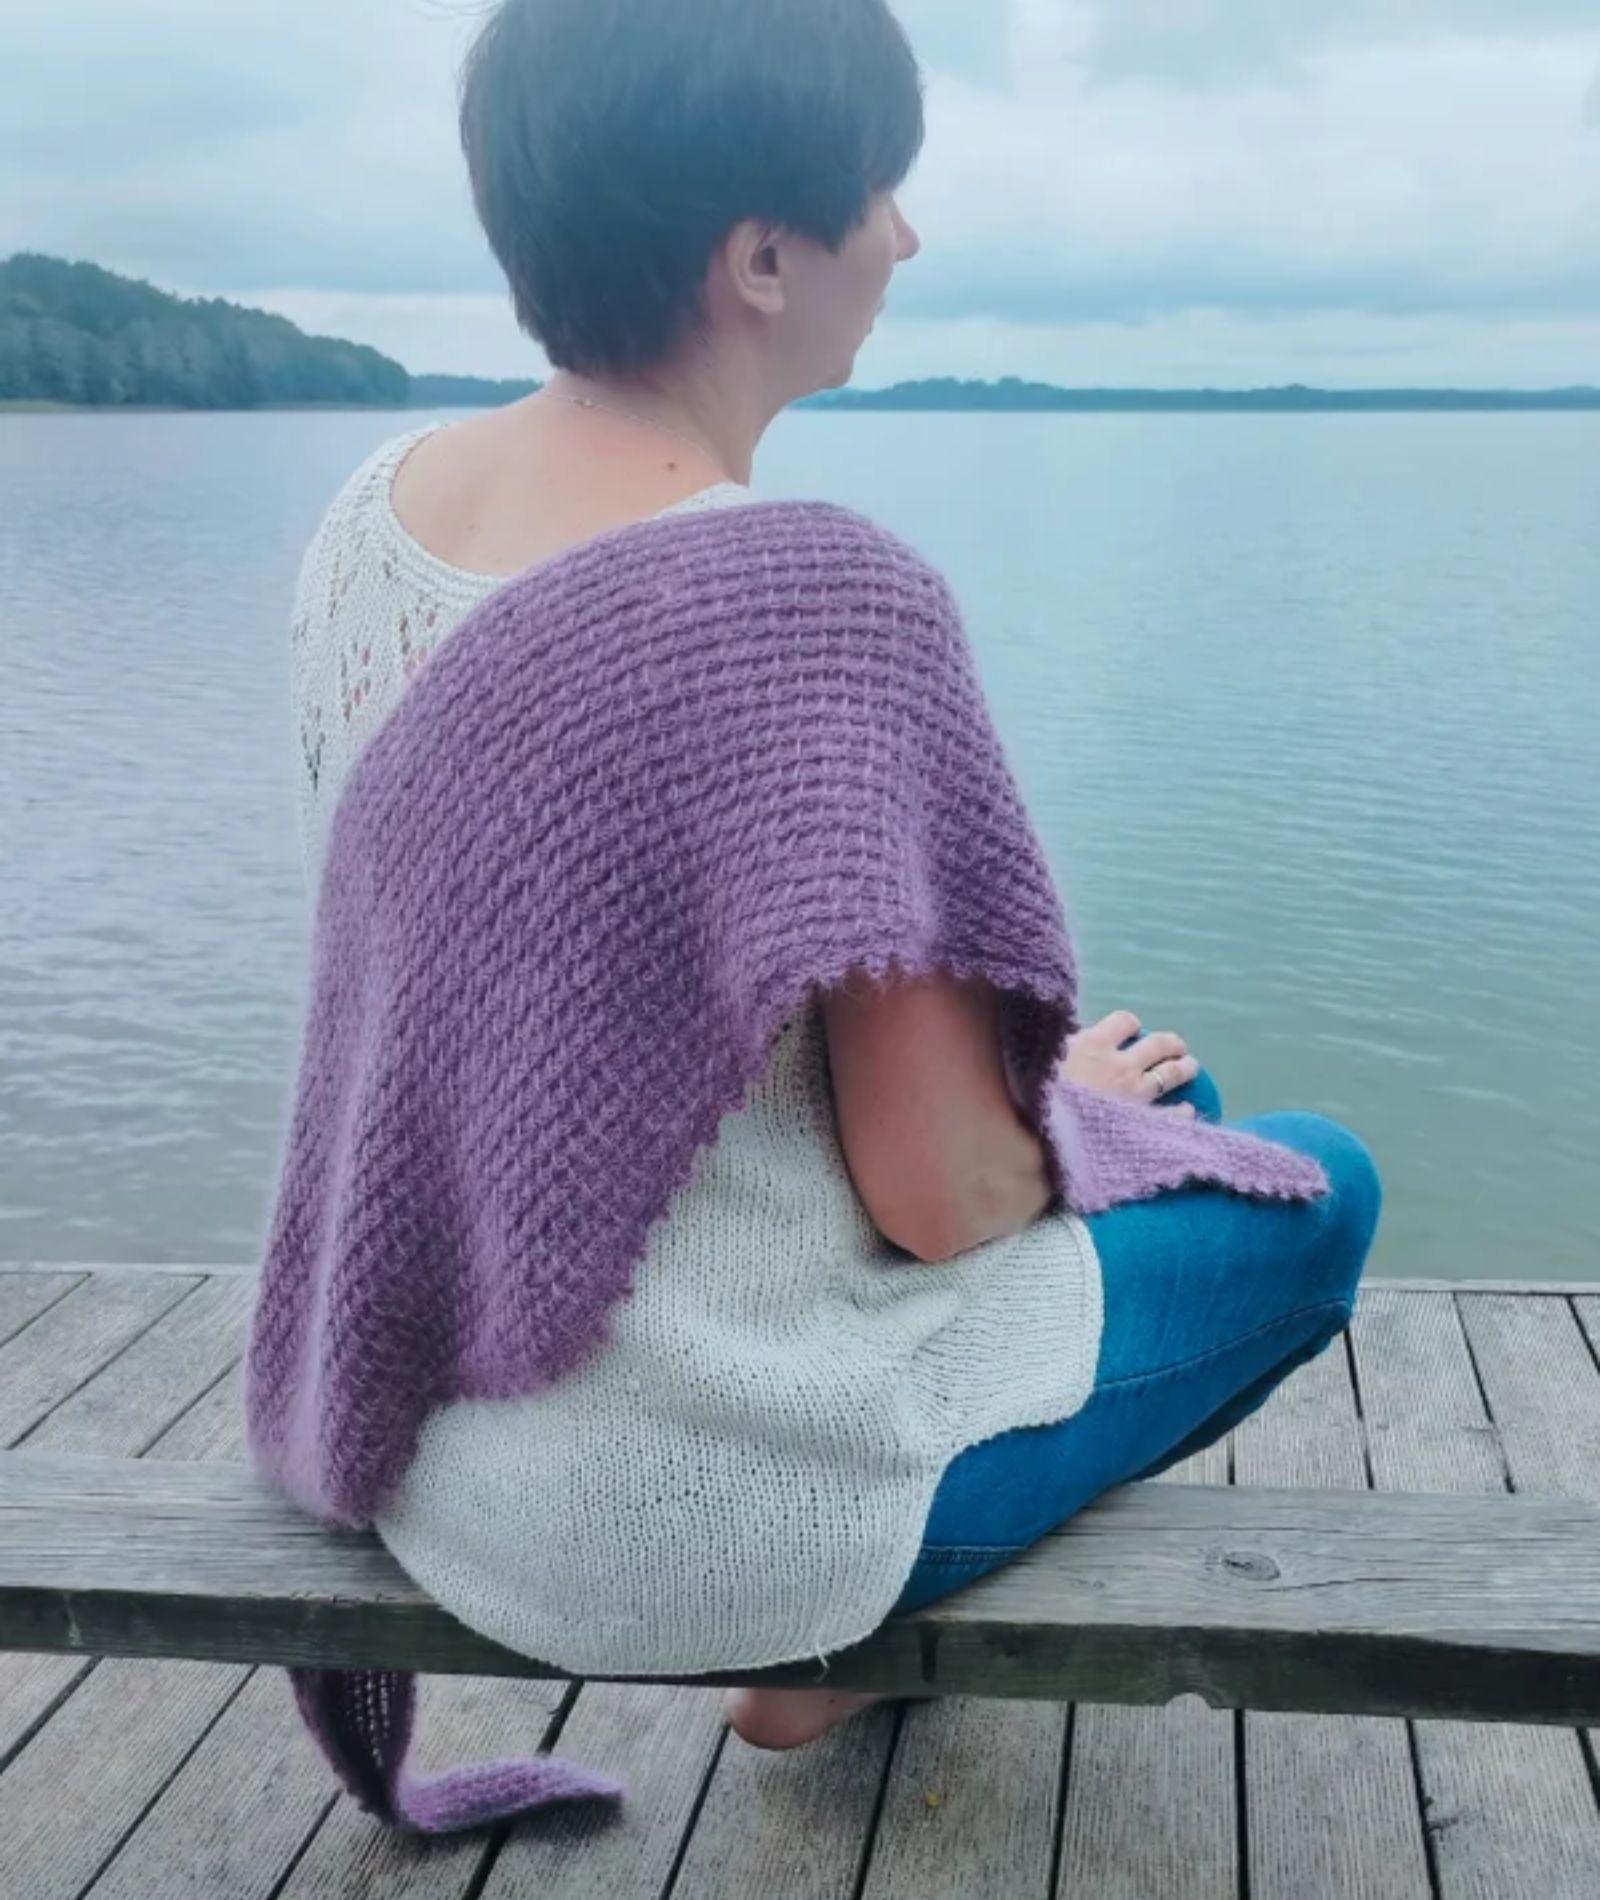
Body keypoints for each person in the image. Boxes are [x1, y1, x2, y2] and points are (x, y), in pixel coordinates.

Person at [257, 0, 1380, 1824]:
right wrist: (1064, 1112)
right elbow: (940, 1199)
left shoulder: (367, 524)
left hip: (438, 1449)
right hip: (720, 1513)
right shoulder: (817, 610)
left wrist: (1079, 1111)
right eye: (881, 189)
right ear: (762, 257)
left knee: (1164, 1105)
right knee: (1313, 1179)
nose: (908, 236)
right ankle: (820, 1657)